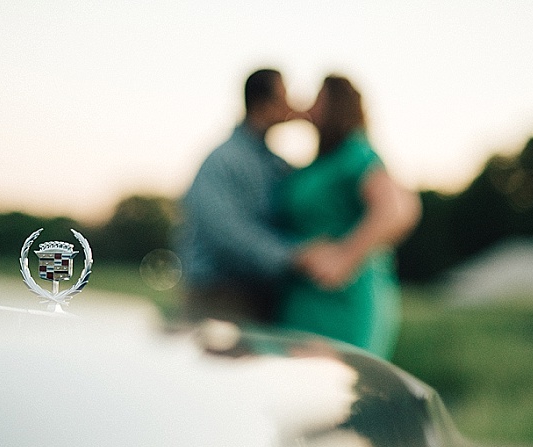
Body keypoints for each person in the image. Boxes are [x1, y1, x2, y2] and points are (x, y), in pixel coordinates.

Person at [276, 75, 421, 359]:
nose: (309, 106)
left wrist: (346, 256)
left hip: (344, 300)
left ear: (337, 106)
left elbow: (397, 210)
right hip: (304, 299)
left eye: (318, 100)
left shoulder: (355, 153)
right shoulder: (321, 161)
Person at [175, 68, 312, 324]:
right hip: (218, 300)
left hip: (262, 299)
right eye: (285, 97)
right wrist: (291, 257)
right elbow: (225, 234)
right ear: (263, 103)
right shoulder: (222, 160)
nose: (292, 106)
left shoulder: (275, 164)